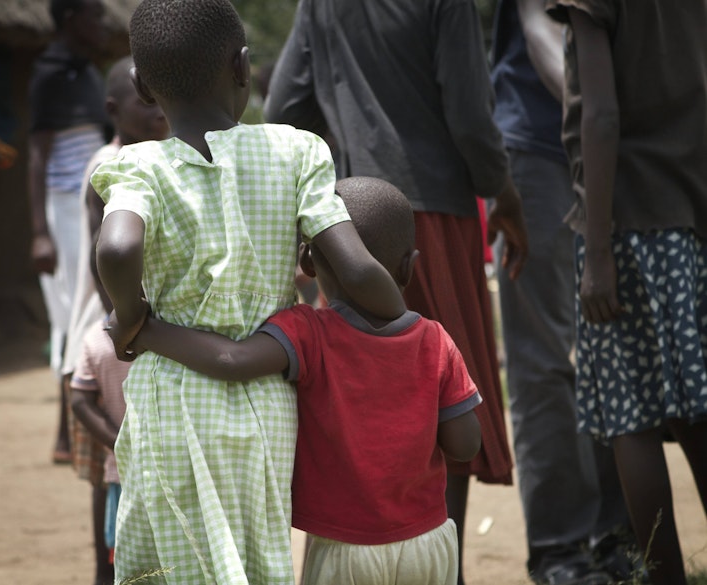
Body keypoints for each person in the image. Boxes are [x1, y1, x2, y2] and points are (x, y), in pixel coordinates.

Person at [90, 1, 407, 583]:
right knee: (260, 553)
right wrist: (404, 325)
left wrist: (130, 317)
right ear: (241, 66)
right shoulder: (297, 152)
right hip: (269, 396)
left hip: (173, 393)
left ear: (140, 82)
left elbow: (115, 249)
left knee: (176, 557)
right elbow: (355, 270)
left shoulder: (139, 166)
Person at [263, 2, 529, 582]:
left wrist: (324, 205)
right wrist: (501, 191)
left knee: (352, 388)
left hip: (346, 223)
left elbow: (284, 109)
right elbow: (468, 112)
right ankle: (441, 569)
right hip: (427, 215)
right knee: (436, 384)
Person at [119, 176, 483, 585]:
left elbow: (231, 359)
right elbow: (465, 444)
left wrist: (144, 330)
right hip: (429, 543)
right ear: (410, 266)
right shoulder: (436, 340)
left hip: (345, 553)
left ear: (307, 262)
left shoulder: (309, 333)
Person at [545, 2, 707, 584]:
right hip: (686, 215)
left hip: (624, 219)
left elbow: (602, 116)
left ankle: (664, 579)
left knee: (630, 418)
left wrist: (600, 249)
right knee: (695, 408)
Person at [490, 2, 637, 583]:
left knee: (613, 350)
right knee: (545, 361)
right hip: (540, 150)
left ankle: (619, 535)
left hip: (617, 151)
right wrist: (599, 108)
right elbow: (542, 30)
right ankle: (561, 548)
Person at [61, 55, 169, 585]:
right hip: (111, 327)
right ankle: (106, 571)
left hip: (145, 323)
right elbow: (101, 254)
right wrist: (124, 317)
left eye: (160, 97)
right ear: (112, 110)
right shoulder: (106, 164)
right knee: (109, 471)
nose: (156, 110)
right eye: (142, 99)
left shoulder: (169, 155)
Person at [27, 0, 108, 464]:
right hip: (64, 209)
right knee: (73, 315)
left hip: (93, 200)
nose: (102, 24)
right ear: (71, 17)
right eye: (94, 16)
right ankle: (65, 431)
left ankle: (70, 428)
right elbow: (37, 155)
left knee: (88, 310)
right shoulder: (49, 74)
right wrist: (40, 230)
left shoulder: (89, 73)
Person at [70, 315, 130, 585]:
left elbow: (80, 400)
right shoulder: (171, 327)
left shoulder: (95, 337)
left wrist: (120, 445)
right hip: (163, 470)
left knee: (129, 565)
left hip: (120, 469)